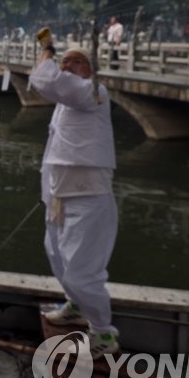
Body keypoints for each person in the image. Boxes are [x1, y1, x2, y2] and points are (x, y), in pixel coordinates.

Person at [29, 47, 120, 359]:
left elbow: (50, 82)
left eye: (76, 61)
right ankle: (76, 305)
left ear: (89, 72)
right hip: (59, 194)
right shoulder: (65, 104)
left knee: (81, 271)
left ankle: (102, 332)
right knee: (55, 253)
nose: (67, 64)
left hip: (87, 195)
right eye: (64, 59)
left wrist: (46, 55)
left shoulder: (94, 92)